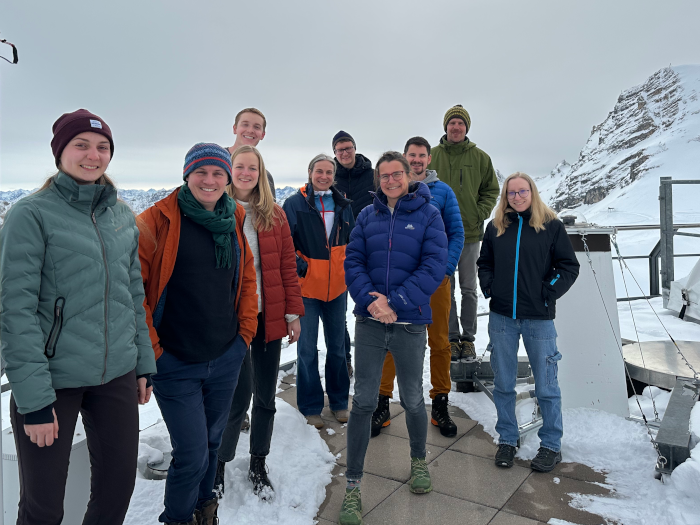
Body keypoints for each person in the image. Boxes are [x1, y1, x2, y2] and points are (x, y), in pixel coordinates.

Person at [0, 109, 156, 525]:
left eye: (103, 147)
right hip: (53, 381)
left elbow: (131, 295)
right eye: (81, 145)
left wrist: (142, 363)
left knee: (116, 491)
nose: (93, 155)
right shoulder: (30, 215)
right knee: (43, 506)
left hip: (116, 376)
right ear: (60, 152)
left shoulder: (121, 216)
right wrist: (33, 402)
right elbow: (14, 310)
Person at [137, 143, 258, 525]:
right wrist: (153, 354)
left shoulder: (234, 217)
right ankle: (176, 519)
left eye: (218, 173)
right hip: (174, 361)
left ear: (227, 179)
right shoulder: (156, 222)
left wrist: (244, 336)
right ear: (187, 174)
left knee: (211, 443)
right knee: (191, 453)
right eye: (201, 172)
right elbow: (134, 294)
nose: (209, 180)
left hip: (224, 355)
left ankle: (205, 509)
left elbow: (247, 279)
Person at [341, 151, 447, 525]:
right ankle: (353, 486)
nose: (390, 180)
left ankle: (419, 461)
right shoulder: (367, 216)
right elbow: (352, 262)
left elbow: (434, 264)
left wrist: (396, 303)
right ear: (378, 181)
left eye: (396, 174)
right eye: (384, 176)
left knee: (414, 398)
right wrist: (373, 304)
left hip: (409, 322)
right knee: (364, 401)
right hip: (370, 323)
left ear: (407, 175)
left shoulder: (428, 214)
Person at [214, 145, 304, 501]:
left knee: (265, 396)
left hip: (269, 315)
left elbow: (286, 269)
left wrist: (293, 313)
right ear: (230, 170)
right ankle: (219, 463)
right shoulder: (218, 212)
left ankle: (258, 462)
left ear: (260, 172)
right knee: (236, 397)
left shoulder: (275, 216)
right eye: (240, 166)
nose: (246, 173)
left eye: (253, 167)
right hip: (232, 319)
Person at [477, 172, 579, 472]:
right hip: (502, 317)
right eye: (511, 193)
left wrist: (548, 291)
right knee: (504, 384)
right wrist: (490, 287)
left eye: (523, 192)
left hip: (539, 318)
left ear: (532, 193)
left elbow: (568, 266)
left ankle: (551, 445)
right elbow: (485, 263)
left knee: (547, 386)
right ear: (505, 197)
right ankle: (508, 439)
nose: (517, 197)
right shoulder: (496, 227)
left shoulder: (551, 226)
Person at [374, 137, 464, 438]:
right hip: (400, 282)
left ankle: (440, 401)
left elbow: (456, 234)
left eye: (422, 156)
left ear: (429, 158)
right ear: (404, 157)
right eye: (411, 155)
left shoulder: (443, 192)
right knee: (391, 337)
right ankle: (382, 402)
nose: (416, 160)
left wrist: (444, 270)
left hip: (435, 282)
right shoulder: (392, 190)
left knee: (439, 340)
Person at [282, 154, 354, 429]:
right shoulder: (295, 203)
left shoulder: (343, 203)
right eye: (319, 171)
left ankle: (338, 402)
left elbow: (354, 239)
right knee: (307, 350)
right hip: (307, 289)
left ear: (333, 176)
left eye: (328, 172)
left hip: (337, 288)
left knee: (337, 347)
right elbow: (285, 241)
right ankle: (311, 406)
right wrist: (300, 265)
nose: (324, 176)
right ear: (310, 172)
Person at [428, 105, 499, 361]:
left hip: (469, 235)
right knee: (445, 287)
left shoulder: (480, 158)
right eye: (452, 123)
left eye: (460, 123)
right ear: (445, 127)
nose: (456, 127)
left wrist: (479, 212)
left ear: (466, 128)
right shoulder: (431, 155)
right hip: (438, 236)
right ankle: (451, 337)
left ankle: (468, 340)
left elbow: (491, 190)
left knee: (469, 289)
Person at [332, 130, 375, 377]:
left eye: (348, 148)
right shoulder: (330, 176)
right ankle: (345, 359)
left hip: (368, 248)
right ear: (335, 153)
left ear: (355, 148)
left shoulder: (372, 175)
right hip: (337, 248)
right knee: (339, 310)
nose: (345, 153)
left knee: (369, 304)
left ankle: (371, 359)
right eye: (339, 150)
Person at [228, 107, 276, 200]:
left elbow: (270, 209)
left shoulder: (265, 177)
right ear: (235, 129)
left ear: (262, 135)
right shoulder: (215, 160)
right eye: (245, 124)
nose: (250, 130)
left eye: (256, 127)